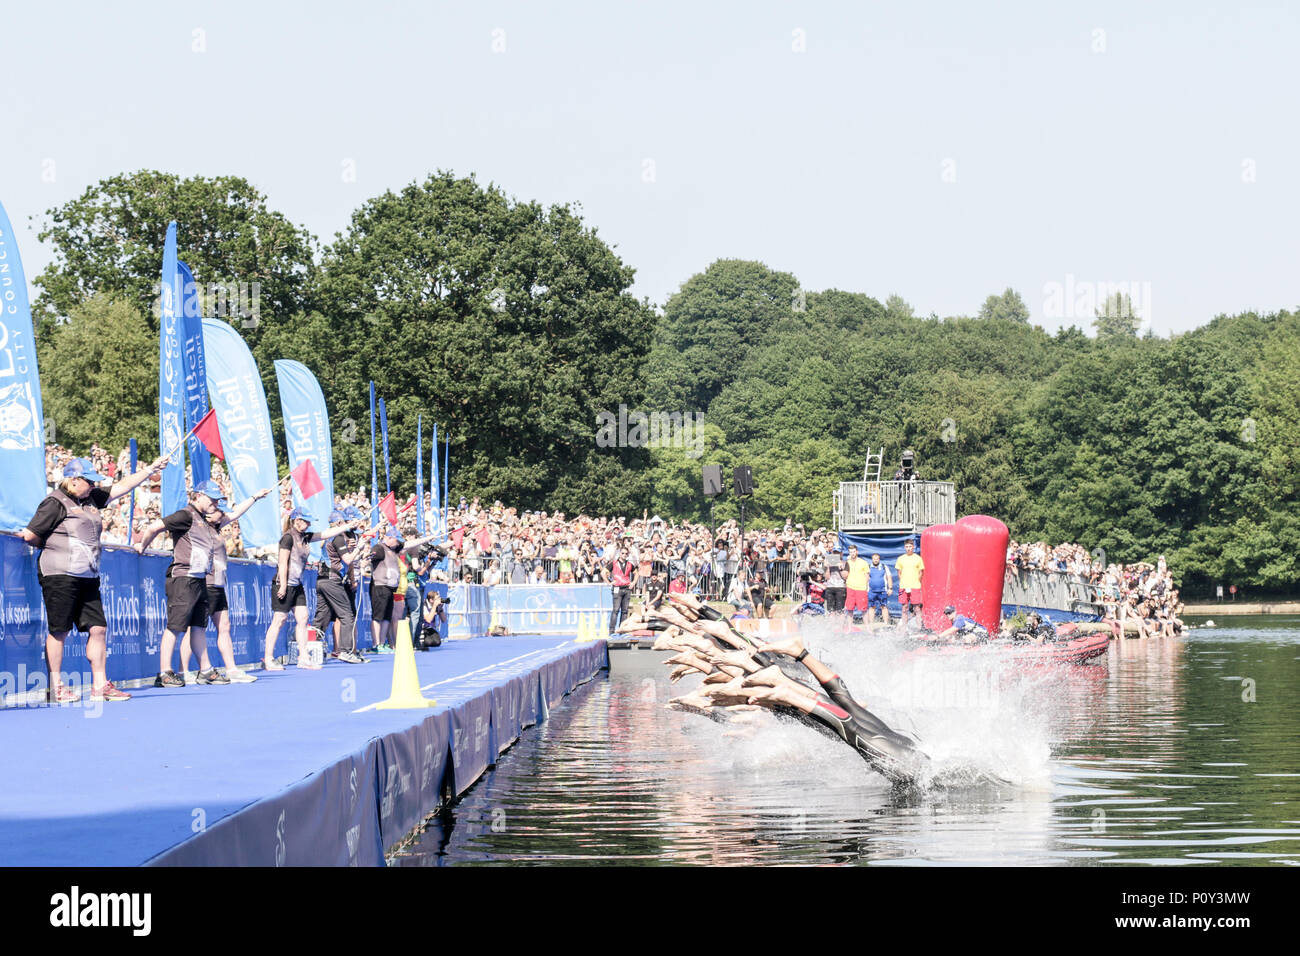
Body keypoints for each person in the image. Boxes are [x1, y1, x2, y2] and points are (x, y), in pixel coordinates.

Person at [19, 454, 170, 702]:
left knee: (98, 628)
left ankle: (100, 685)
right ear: (74, 480)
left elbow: (122, 488)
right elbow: (30, 535)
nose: (93, 485)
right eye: (89, 481)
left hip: (88, 575)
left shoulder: (90, 498)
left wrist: (151, 469)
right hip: (59, 575)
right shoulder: (54, 503)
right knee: (60, 630)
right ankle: (55, 687)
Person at [134, 480, 270, 686]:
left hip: (199, 580)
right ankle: (164, 672)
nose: (215, 504)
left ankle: (205, 670)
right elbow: (154, 527)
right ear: (199, 496)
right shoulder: (185, 515)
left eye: (217, 500)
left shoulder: (206, 522)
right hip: (183, 578)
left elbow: (233, 514)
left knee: (198, 626)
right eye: (212, 499)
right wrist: (141, 546)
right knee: (175, 626)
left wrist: (254, 498)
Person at [263, 508, 361, 670]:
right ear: (297, 520)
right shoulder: (288, 538)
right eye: (306, 521)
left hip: (297, 585)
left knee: (303, 618)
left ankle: (303, 657)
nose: (308, 524)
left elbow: (325, 534)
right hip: (284, 584)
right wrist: (283, 585)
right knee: (279, 620)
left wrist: (348, 526)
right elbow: (282, 562)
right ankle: (268, 658)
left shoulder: (305, 537)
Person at [369, 525, 440, 651]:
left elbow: (409, 544)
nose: (398, 544)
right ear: (389, 538)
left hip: (391, 587)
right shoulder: (379, 548)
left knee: (386, 617)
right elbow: (369, 559)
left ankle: (382, 643)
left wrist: (427, 539)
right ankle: (376, 644)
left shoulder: (394, 549)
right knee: (378, 617)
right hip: (379, 585)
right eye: (396, 541)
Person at [313, 507, 369, 664]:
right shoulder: (337, 538)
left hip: (321, 579)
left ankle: (310, 649)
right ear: (338, 523)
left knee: (321, 617)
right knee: (346, 615)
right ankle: (344, 651)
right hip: (332, 579)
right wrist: (359, 547)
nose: (346, 524)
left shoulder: (327, 539)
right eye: (344, 522)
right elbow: (348, 560)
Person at [604, 545, 638, 632]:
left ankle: (622, 629)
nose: (624, 555)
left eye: (626, 554)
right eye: (622, 553)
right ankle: (611, 630)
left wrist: (633, 582)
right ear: (619, 554)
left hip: (627, 588)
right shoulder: (614, 563)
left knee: (625, 611)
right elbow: (603, 572)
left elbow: (636, 573)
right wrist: (609, 582)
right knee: (615, 610)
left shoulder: (630, 564)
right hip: (617, 588)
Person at [894, 538, 924, 628]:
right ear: (904, 547)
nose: (908, 548)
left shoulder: (918, 558)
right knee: (904, 608)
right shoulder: (900, 559)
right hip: (904, 586)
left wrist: (916, 581)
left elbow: (921, 572)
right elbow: (899, 572)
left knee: (917, 608)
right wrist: (903, 581)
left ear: (913, 547)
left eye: (910, 546)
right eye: (906, 547)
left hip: (915, 586)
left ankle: (919, 627)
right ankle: (904, 628)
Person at [843, 545, 870, 623]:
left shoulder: (863, 562)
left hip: (861, 588)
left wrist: (866, 588)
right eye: (851, 552)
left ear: (857, 552)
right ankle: (849, 628)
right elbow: (845, 575)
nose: (852, 553)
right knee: (850, 609)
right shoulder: (847, 562)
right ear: (849, 553)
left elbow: (867, 576)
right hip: (850, 588)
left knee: (864, 609)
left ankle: (868, 628)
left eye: (854, 551)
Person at [866, 553, 892, 625]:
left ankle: (886, 623)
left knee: (884, 606)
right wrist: (865, 589)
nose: (876, 560)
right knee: (871, 607)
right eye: (874, 559)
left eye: (877, 559)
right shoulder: (868, 567)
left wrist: (890, 588)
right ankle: (871, 623)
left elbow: (889, 577)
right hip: (871, 591)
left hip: (882, 591)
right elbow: (866, 579)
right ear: (872, 559)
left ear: (879, 559)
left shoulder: (884, 567)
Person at [823, 546, 847, 613]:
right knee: (831, 611)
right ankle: (832, 623)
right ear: (832, 553)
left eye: (838, 552)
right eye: (835, 552)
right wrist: (828, 568)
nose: (836, 554)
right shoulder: (828, 561)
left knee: (840, 610)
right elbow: (826, 577)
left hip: (840, 587)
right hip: (830, 587)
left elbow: (845, 577)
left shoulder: (844, 562)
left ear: (841, 553)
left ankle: (840, 623)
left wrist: (841, 568)